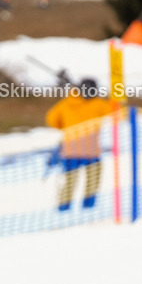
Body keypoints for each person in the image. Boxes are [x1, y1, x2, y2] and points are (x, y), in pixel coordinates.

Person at [45, 78, 114, 211]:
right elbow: (119, 113)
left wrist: (66, 127)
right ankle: (88, 208)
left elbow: (52, 120)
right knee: (92, 183)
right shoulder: (98, 103)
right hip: (91, 151)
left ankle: (64, 208)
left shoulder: (67, 102)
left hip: (71, 150)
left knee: (70, 182)